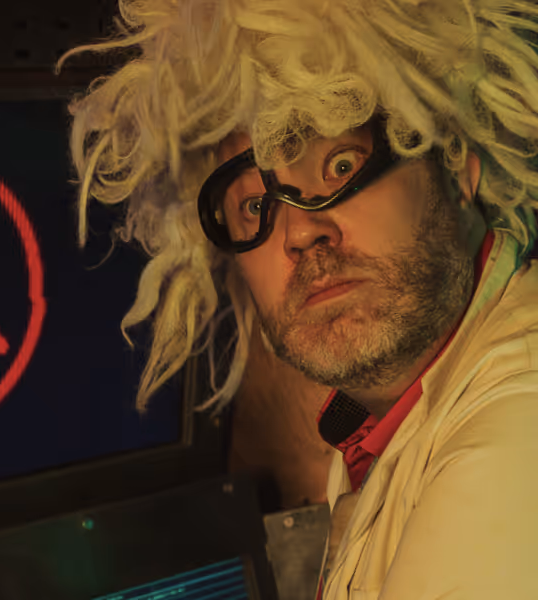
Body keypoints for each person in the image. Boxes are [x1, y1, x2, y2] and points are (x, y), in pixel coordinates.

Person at [58, 0, 538, 598]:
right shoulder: (378, 422)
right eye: (256, 205)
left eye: (341, 164)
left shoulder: (513, 442)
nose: (300, 233)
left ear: (457, 169)